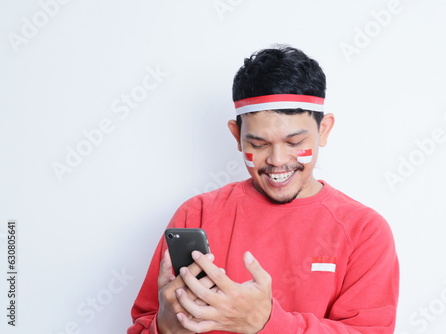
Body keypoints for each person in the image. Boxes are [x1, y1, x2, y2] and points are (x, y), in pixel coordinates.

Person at [127, 45, 399, 334]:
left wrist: (266, 322)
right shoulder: (198, 214)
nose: (277, 160)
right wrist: (166, 326)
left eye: (294, 142)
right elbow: (143, 326)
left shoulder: (364, 231)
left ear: (324, 130)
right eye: (258, 144)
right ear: (236, 135)